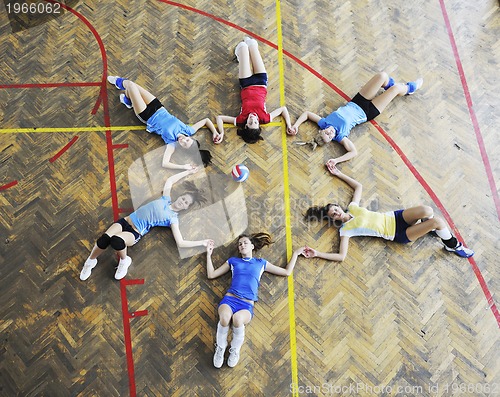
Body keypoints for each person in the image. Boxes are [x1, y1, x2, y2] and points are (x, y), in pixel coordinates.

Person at [302, 164, 474, 261]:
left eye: (336, 209)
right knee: (437, 221)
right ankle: (452, 245)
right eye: (333, 215)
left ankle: (427, 229)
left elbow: (358, 186)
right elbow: (341, 256)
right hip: (397, 233)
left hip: (395, 216)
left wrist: (339, 173)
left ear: (339, 207)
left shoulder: (352, 207)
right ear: (333, 220)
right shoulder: (345, 231)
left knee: (427, 210)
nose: (336, 213)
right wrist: (317, 253)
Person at [80, 168, 212, 281]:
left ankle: (124, 261)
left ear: (186, 208)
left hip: (134, 232)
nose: (182, 202)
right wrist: (187, 171)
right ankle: (90, 261)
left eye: (186, 203)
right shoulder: (166, 199)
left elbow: (181, 242)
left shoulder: (173, 219)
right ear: (180, 196)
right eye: (183, 199)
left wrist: (202, 243)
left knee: (116, 241)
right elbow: (170, 181)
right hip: (125, 221)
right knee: (104, 239)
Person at [206, 233, 304, 368]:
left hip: (246, 305)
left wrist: (296, 254)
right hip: (229, 300)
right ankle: (220, 348)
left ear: (252, 246)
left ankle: (235, 349)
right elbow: (211, 275)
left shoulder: (261, 263)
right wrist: (208, 255)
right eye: (240, 244)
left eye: (245, 243)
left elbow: (286, 272)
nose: (242, 245)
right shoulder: (233, 261)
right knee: (224, 318)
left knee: (237, 320)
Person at [291, 72, 423, 168]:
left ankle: (392, 86)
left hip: (358, 101)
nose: (330, 134)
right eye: (330, 137)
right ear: (332, 139)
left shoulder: (324, 122)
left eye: (327, 133)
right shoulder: (340, 136)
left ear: (322, 130)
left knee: (382, 76)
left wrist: (296, 125)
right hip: (368, 111)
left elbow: (307, 114)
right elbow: (353, 152)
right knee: (395, 89)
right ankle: (410, 89)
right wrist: (336, 160)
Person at [107, 75, 218, 169]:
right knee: (132, 89)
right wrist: (215, 132)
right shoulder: (188, 130)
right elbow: (206, 121)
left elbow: (165, 163)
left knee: (130, 85)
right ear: (191, 137)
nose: (183, 140)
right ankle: (127, 101)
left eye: (183, 144)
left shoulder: (172, 144)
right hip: (158, 107)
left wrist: (183, 167)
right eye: (187, 140)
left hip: (146, 115)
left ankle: (118, 82)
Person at [215, 37, 294, 144]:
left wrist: (221, 133)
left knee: (243, 47)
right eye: (256, 122)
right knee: (252, 43)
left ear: (246, 125)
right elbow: (283, 109)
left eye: (251, 121)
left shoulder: (240, 120)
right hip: (261, 82)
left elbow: (219, 118)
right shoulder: (265, 118)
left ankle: (239, 55)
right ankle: (246, 49)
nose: (253, 118)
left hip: (246, 83)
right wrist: (289, 125)